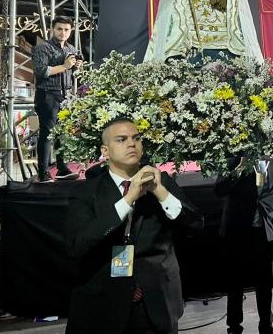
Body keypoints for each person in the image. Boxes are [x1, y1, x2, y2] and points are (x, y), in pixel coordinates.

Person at [66, 118, 201, 334]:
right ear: (106, 151)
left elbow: (194, 225)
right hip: (103, 305)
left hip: (156, 303)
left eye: (136, 138)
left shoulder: (162, 183)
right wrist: (128, 199)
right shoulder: (87, 192)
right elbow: (78, 244)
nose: (132, 144)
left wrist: (161, 193)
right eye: (122, 139)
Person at [215, 158, 273, 334]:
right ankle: (233, 326)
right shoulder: (234, 160)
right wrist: (239, 168)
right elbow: (219, 190)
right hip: (237, 230)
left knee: (265, 282)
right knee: (235, 283)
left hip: (264, 230)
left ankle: (265, 324)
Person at [31, 15, 81, 182]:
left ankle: (61, 168)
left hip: (65, 95)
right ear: (52, 29)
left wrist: (75, 68)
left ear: (71, 31)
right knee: (47, 134)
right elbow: (41, 71)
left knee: (61, 134)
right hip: (47, 94)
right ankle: (43, 173)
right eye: (59, 29)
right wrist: (64, 66)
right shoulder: (43, 48)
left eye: (66, 30)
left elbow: (71, 74)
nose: (63, 32)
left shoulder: (71, 49)